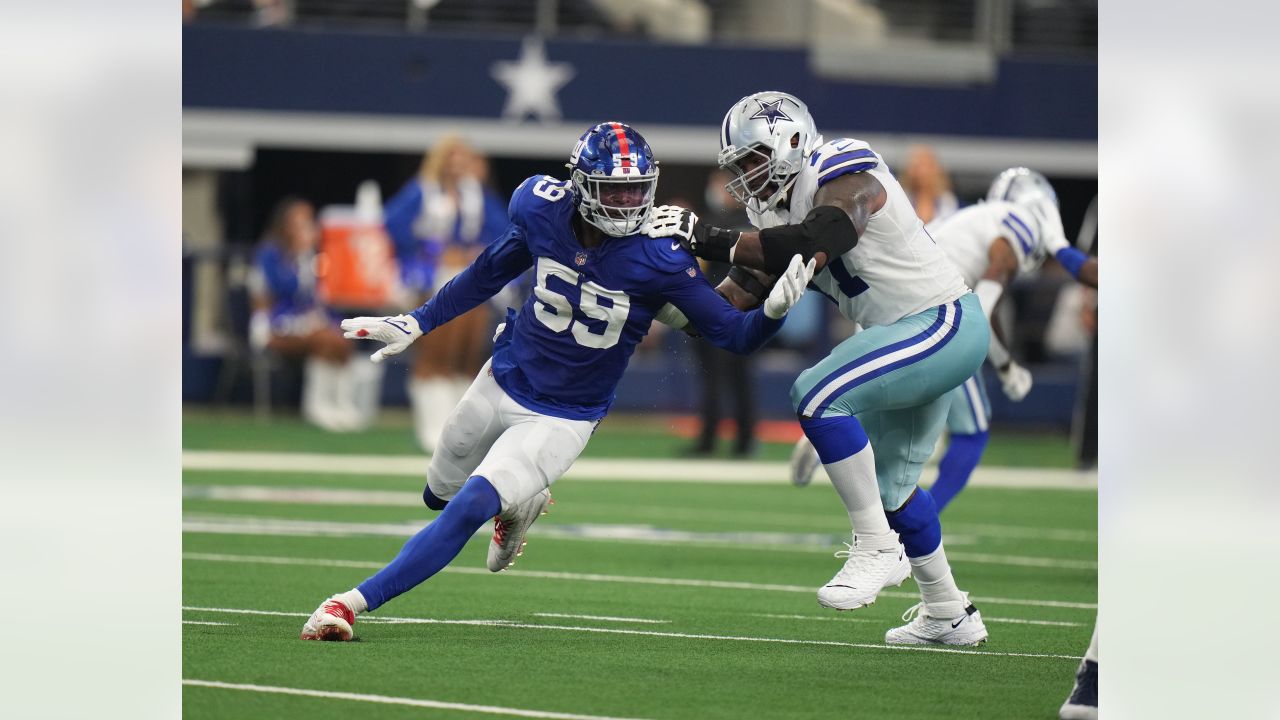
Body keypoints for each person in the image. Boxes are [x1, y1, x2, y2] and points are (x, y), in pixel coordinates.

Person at [300, 121, 813, 641]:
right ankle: (522, 502)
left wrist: (771, 315)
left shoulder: (661, 254)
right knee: (437, 495)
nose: (628, 202)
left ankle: (348, 603)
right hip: (502, 378)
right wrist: (418, 321)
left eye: (637, 189)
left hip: (564, 416)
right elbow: (488, 271)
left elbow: (730, 334)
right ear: (580, 185)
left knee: (470, 505)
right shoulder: (541, 208)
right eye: (613, 189)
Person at [647, 91, 990, 645]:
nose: (745, 176)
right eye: (737, 165)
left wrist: (706, 237)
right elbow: (733, 300)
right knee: (894, 490)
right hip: (905, 335)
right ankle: (949, 611)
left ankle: (875, 546)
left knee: (817, 392)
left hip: (941, 321)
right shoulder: (768, 212)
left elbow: (827, 232)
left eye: (752, 160)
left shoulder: (843, 166)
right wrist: (668, 306)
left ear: (791, 142)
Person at [789, 168, 1100, 512]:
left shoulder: (971, 220)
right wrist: (1008, 368)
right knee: (972, 434)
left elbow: (986, 306)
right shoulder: (1017, 225)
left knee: (886, 426)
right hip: (932, 323)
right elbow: (983, 306)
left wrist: (1005, 362)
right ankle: (920, 525)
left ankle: (832, 451)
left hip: (887, 315)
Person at [383, 136, 511, 453]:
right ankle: (431, 425)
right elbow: (391, 224)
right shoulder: (422, 190)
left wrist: (474, 249)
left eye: (462, 158)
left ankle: (458, 427)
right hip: (426, 278)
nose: (456, 165)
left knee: (466, 352)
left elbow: (506, 229)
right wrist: (433, 251)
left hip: (466, 277)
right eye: (450, 158)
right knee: (436, 353)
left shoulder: (475, 195)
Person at [248, 196, 359, 431]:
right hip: (278, 324)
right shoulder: (269, 254)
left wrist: (307, 259)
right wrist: (260, 327)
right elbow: (261, 292)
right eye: (299, 222)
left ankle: (339, 403)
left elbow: (319, 298)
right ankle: (317, 405)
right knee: (324, 339)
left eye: (309, 222)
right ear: (285, 226)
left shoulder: (314, 256)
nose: (306, 228)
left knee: (344, 338)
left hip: (311, 321)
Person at [684, 171, 759, 458]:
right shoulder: (754, 222)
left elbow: (698, 266)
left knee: (713, 377)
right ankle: (745, 441)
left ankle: (709, 440)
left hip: (717, 308)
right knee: (742, 378)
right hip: (750, 311)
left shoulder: (713, 222)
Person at [900, 144, 958, 225]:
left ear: (936, 169)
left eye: (926, 166)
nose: (922, 172)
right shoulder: (902, 198)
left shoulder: (947, 200)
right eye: (917, 167)